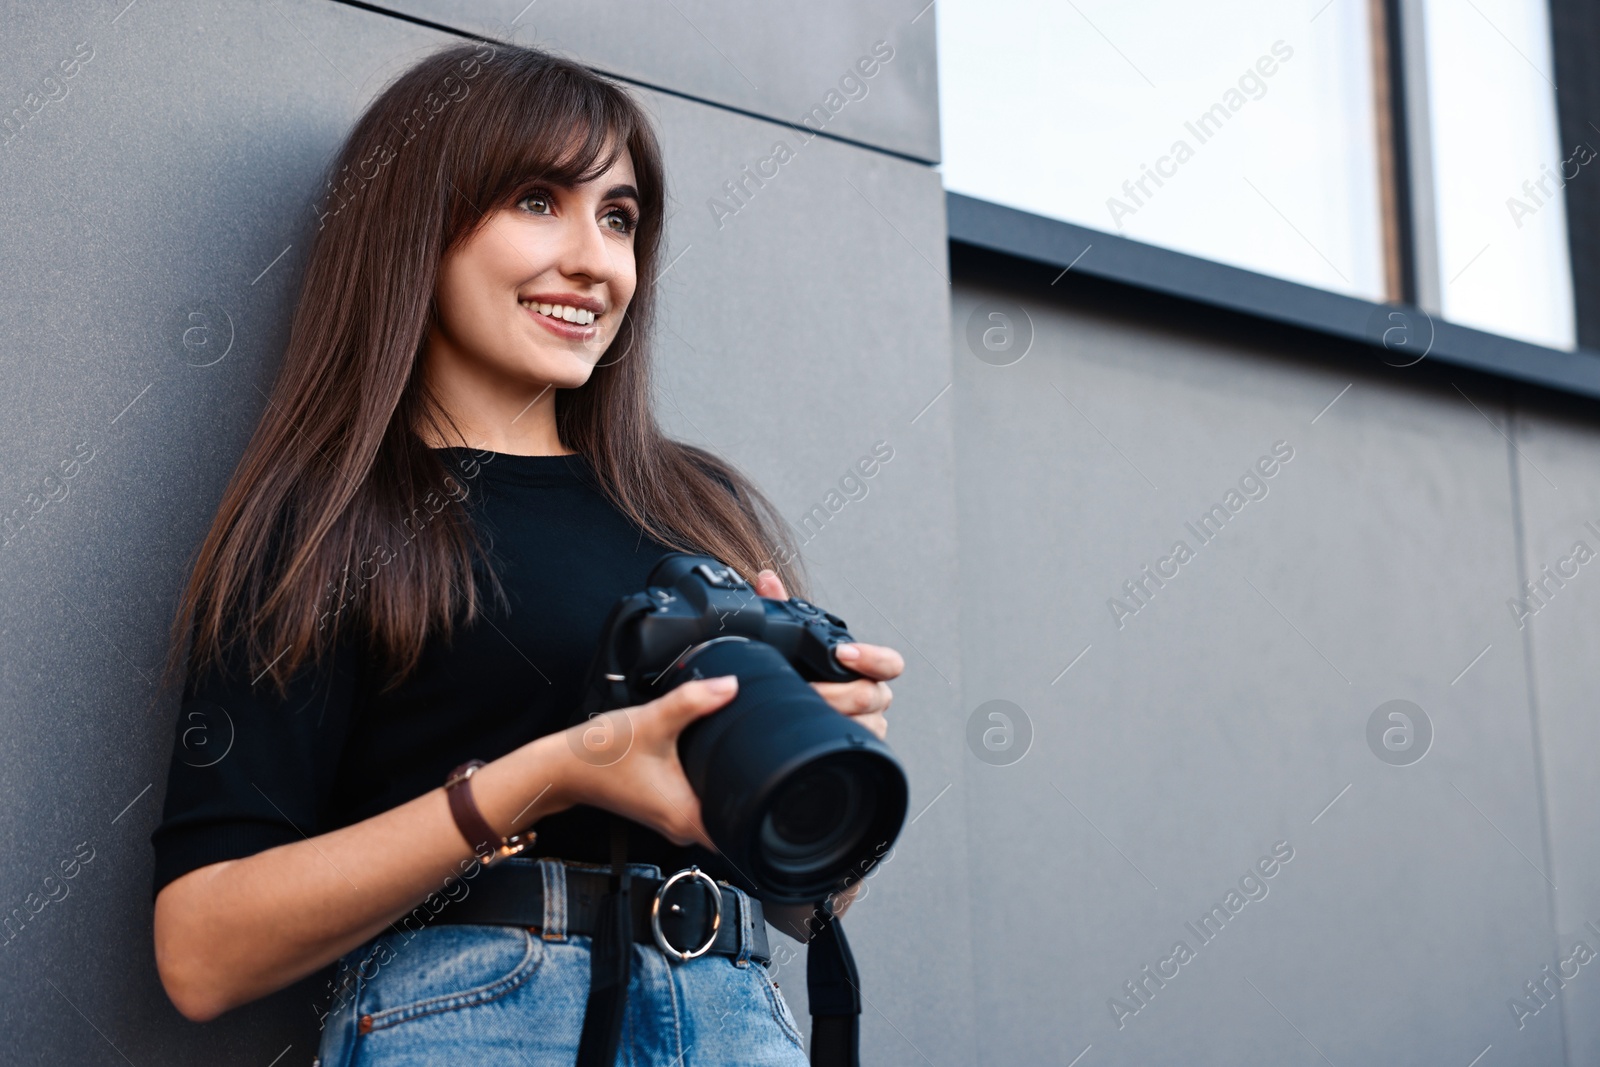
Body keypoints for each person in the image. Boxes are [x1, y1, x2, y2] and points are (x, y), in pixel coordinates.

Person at [148, 39, 902, 1066]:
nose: (596, 261)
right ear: (420, 221)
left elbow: (810, 906)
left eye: (620, 217)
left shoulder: (697, 508)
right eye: (539, 201)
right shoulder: (334, 522)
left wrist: (816, 760)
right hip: (476, 1019)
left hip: (734, 1020)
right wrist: (551, 774)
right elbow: (201, 951)